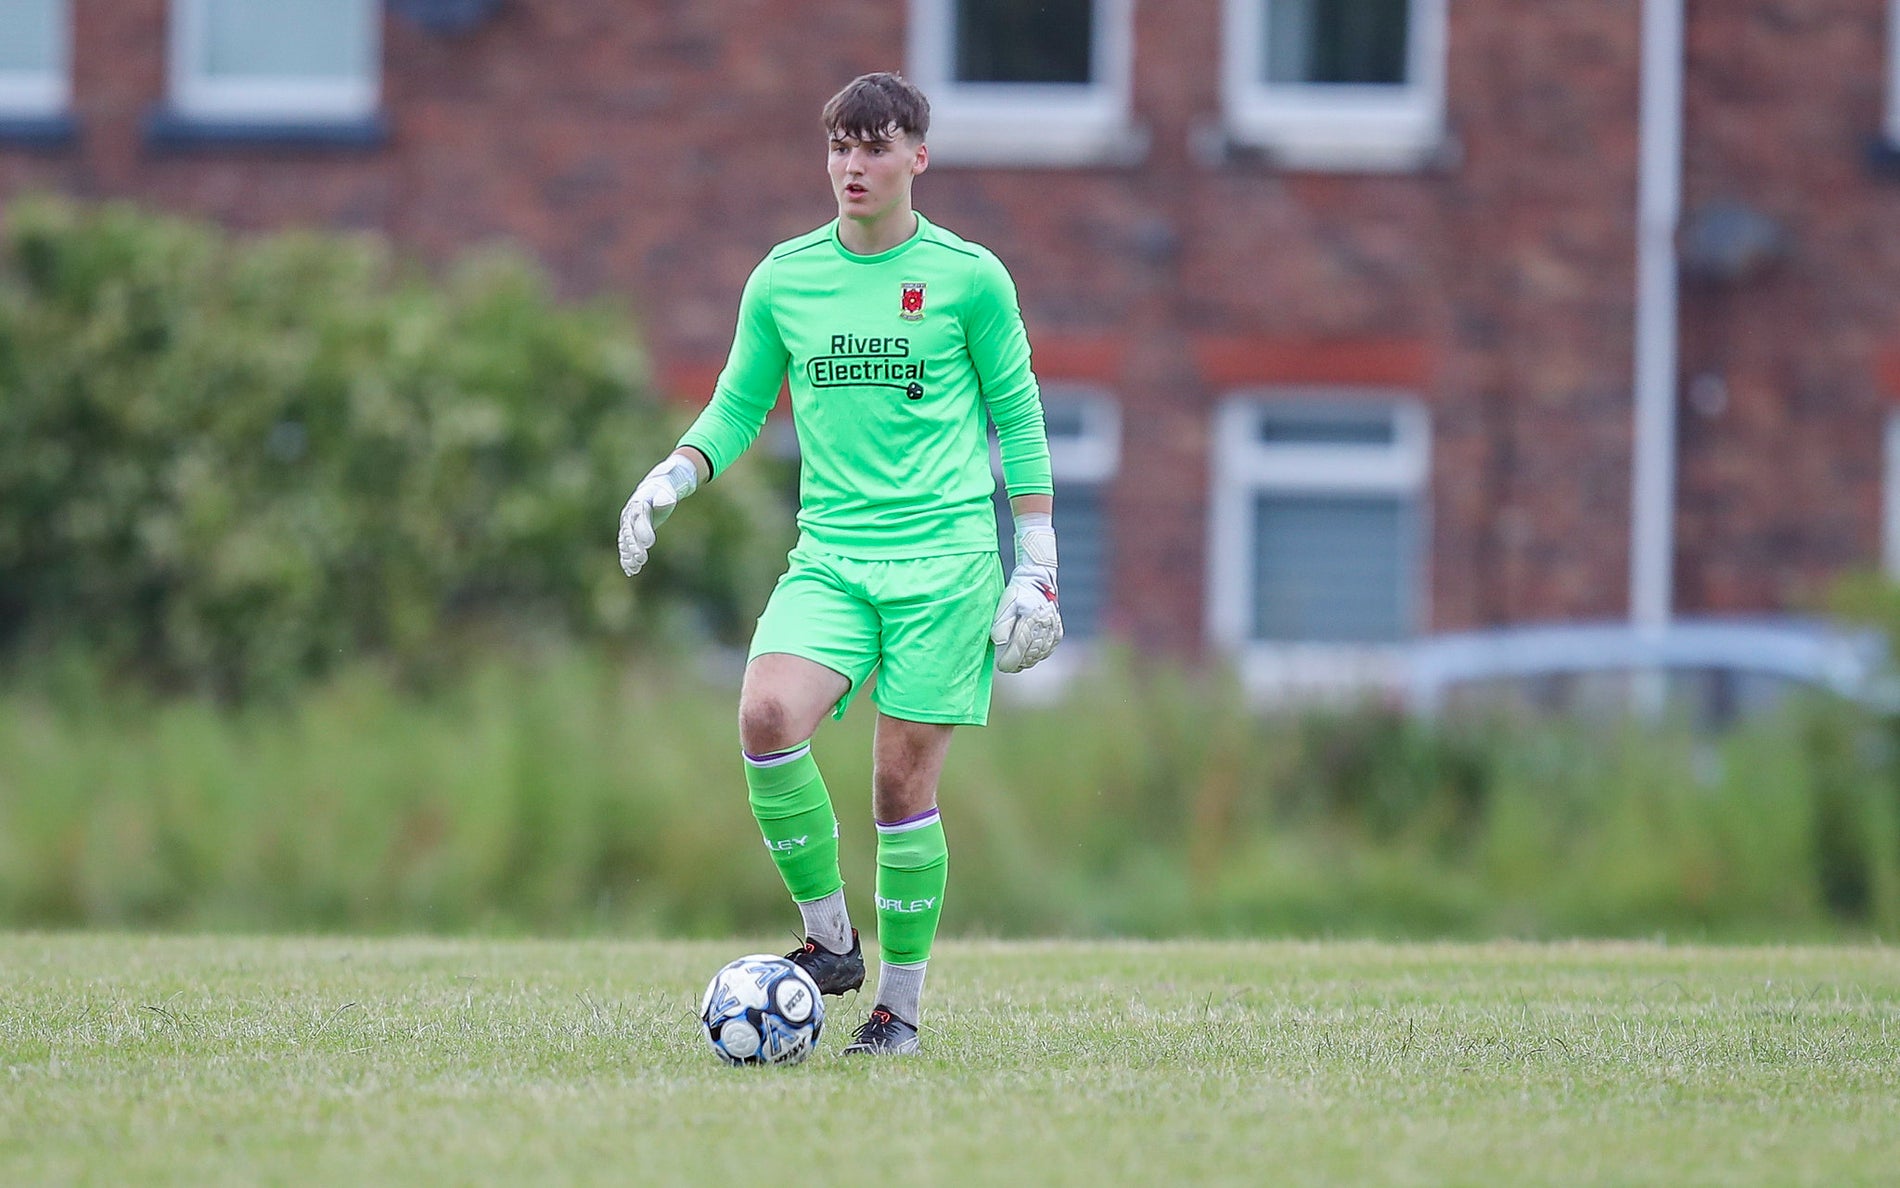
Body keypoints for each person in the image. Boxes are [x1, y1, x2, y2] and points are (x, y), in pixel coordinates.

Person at [618, 71, 1061, 1056]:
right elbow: (739, 406)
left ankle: (898, 1012)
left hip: (945, 566)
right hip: (831, 559)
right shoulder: (784, 279)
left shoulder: (969, 278)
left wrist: (1036, 560)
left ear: (917, 158)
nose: (852, 166)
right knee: (767, 716)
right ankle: (830, 943)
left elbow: (1020, 416)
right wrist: (674, 474)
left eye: (874, 147)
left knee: (900, 787)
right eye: (839, 147)